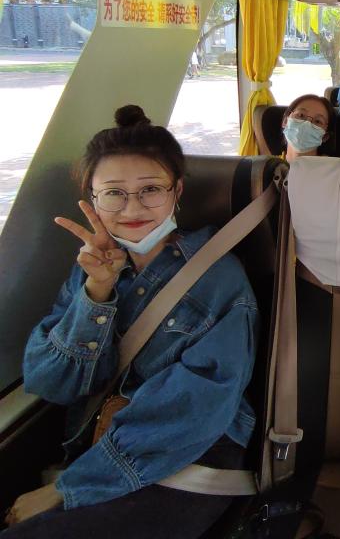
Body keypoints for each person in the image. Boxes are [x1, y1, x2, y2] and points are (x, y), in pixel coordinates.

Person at [4, 106, 257, 537]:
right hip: (98, 449)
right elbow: (50, 382)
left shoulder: (218, 278)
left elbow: (195, 408)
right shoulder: (91, 270)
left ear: (177, 191)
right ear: (93, 199)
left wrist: (68, 487)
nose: (132, 208)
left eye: (150, 189)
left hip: (187, 460)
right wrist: (96, 293)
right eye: (113, 193)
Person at [280, 94, 332, 162]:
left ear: (325, 136)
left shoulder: (334, 166)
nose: (307, 124)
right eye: (301, 115)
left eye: (318, 121)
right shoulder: (268, 165)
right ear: (285, 121)